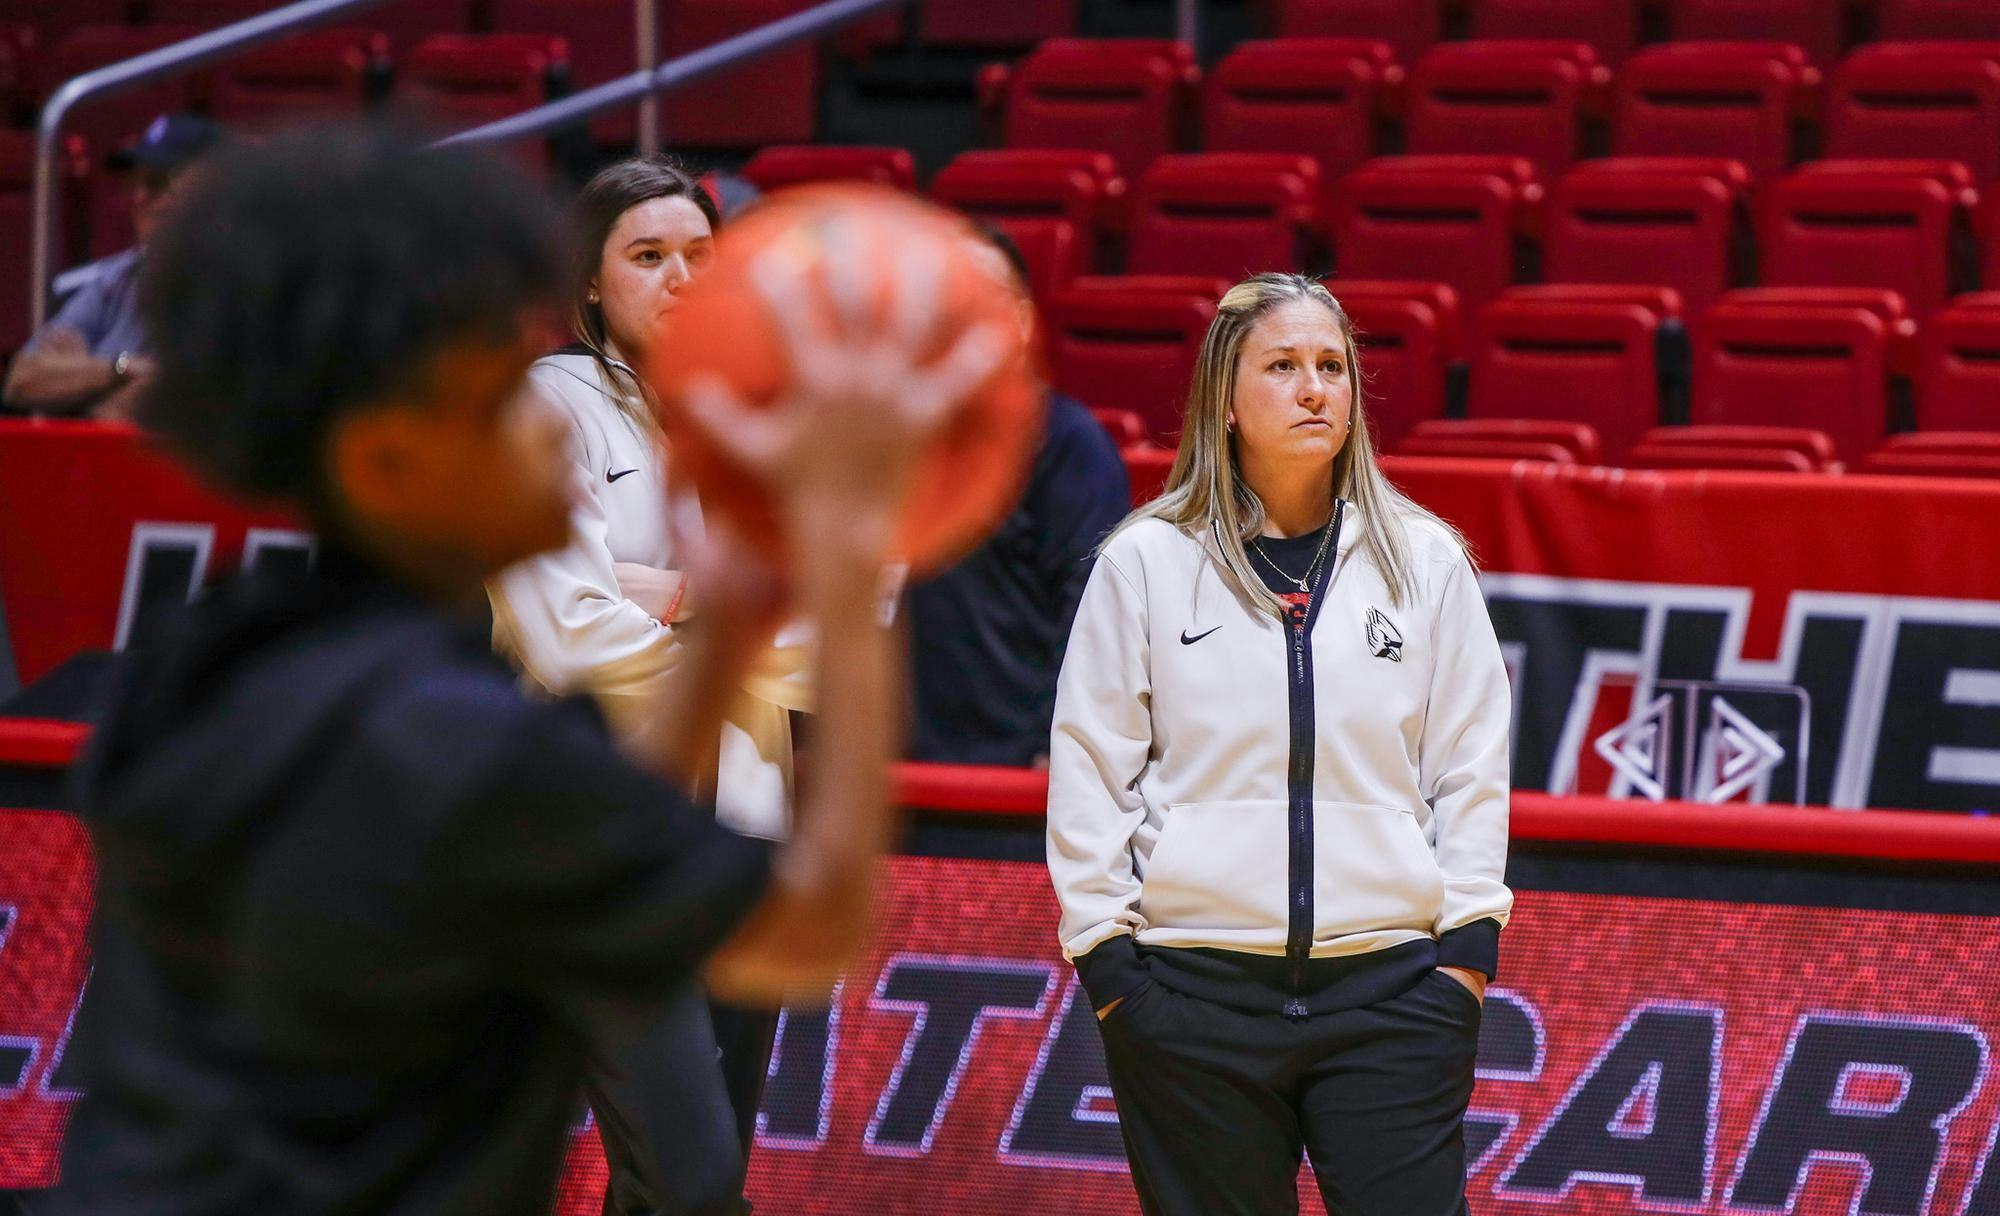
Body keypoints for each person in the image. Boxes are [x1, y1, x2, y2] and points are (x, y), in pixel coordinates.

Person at [47, 124, 1002, 1216]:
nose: (547, 425)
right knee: (695, 1183)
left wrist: (721, 616)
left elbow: (609, 798)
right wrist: (833, 566)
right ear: (384, 456)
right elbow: (814, 918)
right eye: (497, 393)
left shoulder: (209, 663)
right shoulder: (444, 741)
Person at [1046, 272, 1513, 1216]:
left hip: (1393, 1000)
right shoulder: (1145, 561)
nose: (1315, 390)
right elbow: (1092, 768)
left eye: (1334, 367)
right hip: (1188, 1000)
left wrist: (1462, 963)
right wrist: (1111, 972)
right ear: (1225, 398)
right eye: (1285, 366)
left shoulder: (1425, 562)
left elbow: (1470, 766)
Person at [486, 156, 798, 1214]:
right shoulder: (541, 405)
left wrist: (662, 599)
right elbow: (564, 632)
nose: (681, 278)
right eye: (648, 256)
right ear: (588, 282)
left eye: (701, 257)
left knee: (667, 1183)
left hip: (745, 833)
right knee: (696, 1181)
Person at [905, 226, 1129, 767]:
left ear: (1024, 320)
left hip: (1012, 769)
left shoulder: (1069, 442)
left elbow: (1093, 613)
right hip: (889, 770)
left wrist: (1059, 747)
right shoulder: (884, 435)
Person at [2, 114, 222, 419]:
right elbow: (20, 381)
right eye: (136, 183)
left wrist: (73, 392)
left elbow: (168, 411)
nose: (140, 197)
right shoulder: (115, 278)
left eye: (160, 183)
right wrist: (121, 368)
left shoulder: (235, 284)